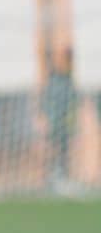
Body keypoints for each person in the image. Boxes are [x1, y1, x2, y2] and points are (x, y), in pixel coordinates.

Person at [41, 48, 79, 187]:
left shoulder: (70, 79)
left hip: (66, 122)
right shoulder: (54, 79)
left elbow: (74, 101)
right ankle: (53, 175)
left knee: (65, 149)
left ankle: (63, 175)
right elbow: (46, 100)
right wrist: (45, 117)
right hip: (55, 122)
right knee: (53, 148)